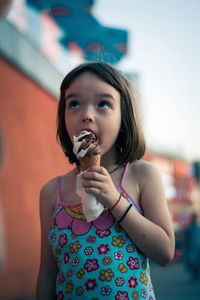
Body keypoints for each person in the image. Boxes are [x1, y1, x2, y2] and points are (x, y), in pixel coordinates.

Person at [36, 62, 175, 299]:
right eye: (74, 103)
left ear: (124, 117)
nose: (86, 115)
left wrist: (115, 200)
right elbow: (48, 272)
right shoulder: (51, 192)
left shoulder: (142, 175)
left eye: (103, 104)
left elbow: (165, 252)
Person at [184, 213, 200, 279]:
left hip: (194, 247)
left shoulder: (192, 227)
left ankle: (195, 273)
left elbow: (187, 237)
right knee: (193, 260)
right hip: (193, 246)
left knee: (193, 260)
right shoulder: (192, 227)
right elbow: (187, 237)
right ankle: (195, 273)